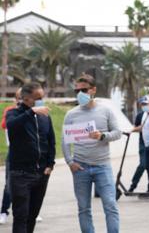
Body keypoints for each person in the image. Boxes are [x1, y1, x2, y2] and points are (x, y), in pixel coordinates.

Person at [61, 74, 122, 233]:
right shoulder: (71, 114)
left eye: (84, 90)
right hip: (80, 167)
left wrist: (102, 136)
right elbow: (65, 140)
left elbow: (118, 132)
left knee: (110, 205)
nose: (80, 93)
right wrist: (69, 162)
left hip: (103, 166)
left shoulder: (106, 111)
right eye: (77, 90)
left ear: (93, 90)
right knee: (83, 209)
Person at [7, 83, 56, 233]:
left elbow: (50, 140)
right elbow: (12, 126)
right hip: (21, 174)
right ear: (26, 99)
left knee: (32, 216)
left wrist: (50, 164)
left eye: (42, 97)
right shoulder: (14, 114)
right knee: (21, 216)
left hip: (41, 174)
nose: (41, 100)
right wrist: (32, 112)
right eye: (38, 98)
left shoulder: (45, 117)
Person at [0, 88, 21, 225]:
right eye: (19, 97)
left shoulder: (35, 111)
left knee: (30, 184)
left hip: (29, 154)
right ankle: (3, 212)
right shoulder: (10, 110)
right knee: (9, 185)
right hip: (13, 152)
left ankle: (31, 211)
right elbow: (4, 125)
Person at [128, 98, 148, 193]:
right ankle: (133, 184)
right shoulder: (139, 116)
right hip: (143, 143)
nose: (144, 106)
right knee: (143, 165)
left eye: (146, 103)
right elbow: (135, 128)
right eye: (143, 104)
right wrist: (137, 129)